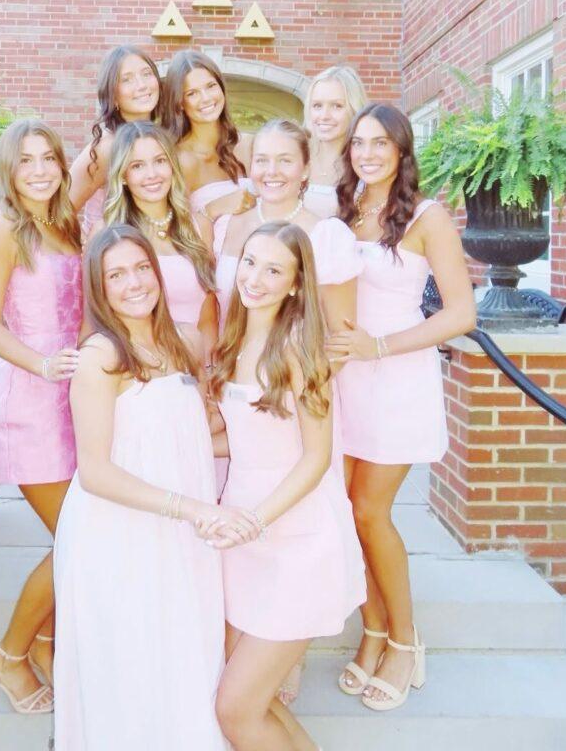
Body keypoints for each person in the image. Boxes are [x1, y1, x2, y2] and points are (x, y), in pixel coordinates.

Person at [53, 225, 258, 750]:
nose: (134, 283)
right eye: (116, 275)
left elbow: (193, 437)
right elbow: (95, 471)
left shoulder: (185, 341)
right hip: (119, 531)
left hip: (185, 532)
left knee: (185, 649)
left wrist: (270, 446)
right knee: (131, 660)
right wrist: (191, 509)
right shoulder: (100, 357)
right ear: (99, 288)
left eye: (141, 268)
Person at [328, 103, 476, 711]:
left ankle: (406, 639)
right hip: (343, 383)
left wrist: (380, 346)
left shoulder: (426, 216)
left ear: (401, 150)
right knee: (341, 512)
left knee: (369, 511)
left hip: (396, 378)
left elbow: (461, 314)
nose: (367, 154)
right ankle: (373, 630)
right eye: (359, 143)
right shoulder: (340, 211)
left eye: (380, 144)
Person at [207, 222, 365, 751]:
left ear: (296, 283)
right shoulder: (236, 337)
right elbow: (243, 440)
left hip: (296, 538)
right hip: (243, 537)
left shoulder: (300, 346)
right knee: (253, 698)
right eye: (250, 262)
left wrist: (257, 520)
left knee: (236, 710)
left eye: (273, 270)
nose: (255, 279)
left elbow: (316, 458)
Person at [0, 118, 83, 714]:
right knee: (80, 540)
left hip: (73, 401)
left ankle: (44, 644)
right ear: (8, 171)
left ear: (63, 166)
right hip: (29, 402)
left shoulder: (66, 224)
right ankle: (9, 656)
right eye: (26, 160)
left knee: (82, 536)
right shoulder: (2, 229)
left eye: (48, 158)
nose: (39, 170)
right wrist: (41, 364)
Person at [213, 119, 361, 333]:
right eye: (262, 160)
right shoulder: (226, 226)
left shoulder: (328, 237)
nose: (272, 171)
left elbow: (342, 335)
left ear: (305, 169)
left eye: (285, 160)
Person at [94, 121, 218, 358]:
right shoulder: (106, 232)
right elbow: (95, 315)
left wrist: (209, 368)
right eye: (137, 165)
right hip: (134, 364)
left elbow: (208, 317)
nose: (152, 174)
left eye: (160, 161)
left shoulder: (199, 227)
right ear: (123, 175)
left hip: (193, 365)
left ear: (172, 166)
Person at [69, 45, 162, 235]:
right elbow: (60, 209)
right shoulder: (106, 147)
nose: (142, 85)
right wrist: (84, 245)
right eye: (127, 79)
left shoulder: (161, 138)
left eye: (146, 74)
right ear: (113, 95)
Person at [162, 48, 254, 219]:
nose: (206, 98)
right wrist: (213, 208)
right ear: (180, 102)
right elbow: (173, 226)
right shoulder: (180, 161)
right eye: (192, 93)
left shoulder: (249, 145)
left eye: (211, 86)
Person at [302, 64, 367, 218]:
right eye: (317, 105)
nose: (324, 115)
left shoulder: (366, 162)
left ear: (354, 109)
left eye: (337, 106)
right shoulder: (295, 155)